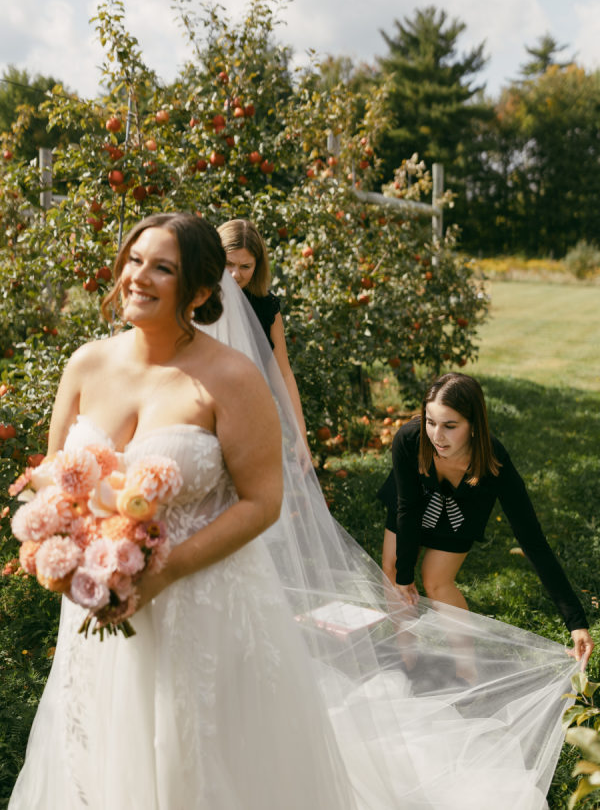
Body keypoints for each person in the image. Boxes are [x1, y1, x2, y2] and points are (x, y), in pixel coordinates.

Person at [8, 215, 588, 809]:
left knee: (199, 762)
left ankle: (446, 671)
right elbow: (57, 476)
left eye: (162, 267)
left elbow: (263, 502)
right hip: (97, 600)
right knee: (102, 755)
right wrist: (62, 545)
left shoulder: (232, 378)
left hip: (197, 601)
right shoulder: (85, 364)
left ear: (202, 290)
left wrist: (162, 570)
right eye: (134, 259)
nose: (138, 276)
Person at [379, 372, 594, 669]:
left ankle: (467, 669)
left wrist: (576, 622)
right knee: (392, 571)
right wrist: (404, 574)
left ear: (473, 425)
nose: (437, 436)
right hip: (411, 504)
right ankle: (408, 661)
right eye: (430, 422)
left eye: (450, 426)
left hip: (461, 513)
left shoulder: (495, 462)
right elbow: (408, 507)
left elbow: (532, 540)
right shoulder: (409, 439)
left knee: (436, 581)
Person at [217, 218, 309, 452]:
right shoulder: (195, 301)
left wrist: (300, 434)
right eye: (228, 264)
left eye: (245, 266)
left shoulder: (266, 308)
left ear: (257, 266)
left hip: (248, 418)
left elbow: (283, 373)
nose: (235, 274)